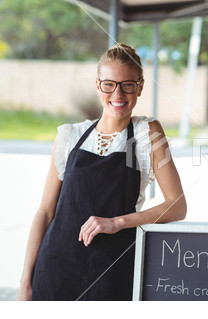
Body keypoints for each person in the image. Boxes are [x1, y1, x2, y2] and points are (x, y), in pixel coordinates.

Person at [17, 43, 187, 301]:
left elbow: (177, 205)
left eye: (128, 84)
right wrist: (25, 284)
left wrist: (118, 222)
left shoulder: (147, 133)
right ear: (98, 86)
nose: (118, 94)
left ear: (140, 87)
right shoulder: (70, 136)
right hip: (54, 271)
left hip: (113, 272)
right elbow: (45, 212)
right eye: (109, 84)